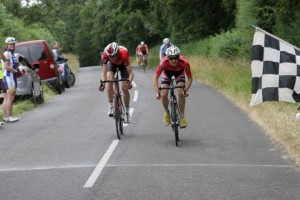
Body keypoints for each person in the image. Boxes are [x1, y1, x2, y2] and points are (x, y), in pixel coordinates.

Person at [153, 46, 193, 128]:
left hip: (179, 74)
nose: (174, 60)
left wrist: (185, 90)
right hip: (167, 74)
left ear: (179, 56)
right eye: (171, 58)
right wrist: (157, 92)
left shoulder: (184, 63)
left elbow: (190, 78)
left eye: (176, 57)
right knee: (163, 94)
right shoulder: (163, 62)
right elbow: (155, 77)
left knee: (181, 93)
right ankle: (167, 112)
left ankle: (182, 116)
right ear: (168, 57)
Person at [98, 42, 134, 123]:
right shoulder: (105, 55)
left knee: (124, 88)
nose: (113, 58)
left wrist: (129, 82)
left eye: (114, 56)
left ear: (118, 53)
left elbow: (131, 73)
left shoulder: (124, 54)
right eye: (111, 57)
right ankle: (111, 106)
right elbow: (104, 73)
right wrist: (103, 83)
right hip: (112, 65)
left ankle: (127, 112)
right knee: (109, 80)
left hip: (122, 65)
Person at [2, 37, 21, 123]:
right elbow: (6, 67)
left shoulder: (11, 53)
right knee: (10, 98)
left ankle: (6, 117)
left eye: (13, 44)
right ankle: (9, 116)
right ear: (7, 45)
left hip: (10, 77)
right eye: (11, 44)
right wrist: (16, 71)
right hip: (9, 77)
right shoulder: (7, 54)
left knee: (6, 98)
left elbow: (13, 64)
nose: (12, 45)